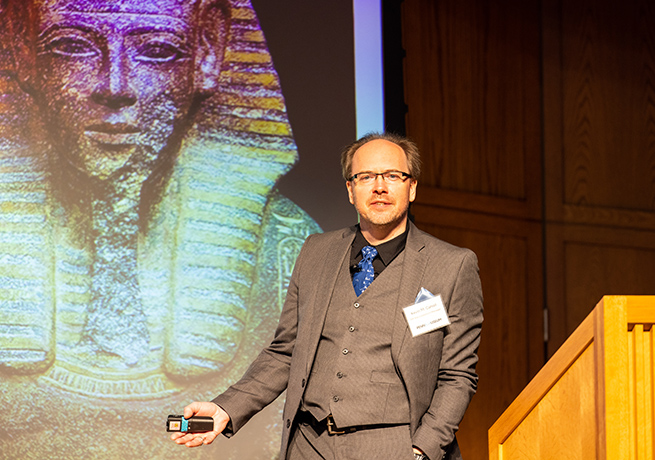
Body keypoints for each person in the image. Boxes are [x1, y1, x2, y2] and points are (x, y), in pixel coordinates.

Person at [0, 0, 318, 458]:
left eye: (156, 51)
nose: (115, 86)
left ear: (209, 49)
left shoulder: (286, 253)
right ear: (19, 45)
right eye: (72, 47)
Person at [172, 132, 484, 460]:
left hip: (394, 447)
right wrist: (226, 408)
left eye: (393, 176)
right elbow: (285, 352)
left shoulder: (451, 265)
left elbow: (457, 375)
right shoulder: (315, 252)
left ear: (412, 187)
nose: (380, 187)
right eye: (365, 177)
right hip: (308, 444)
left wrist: (424, 448)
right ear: (350, 190)